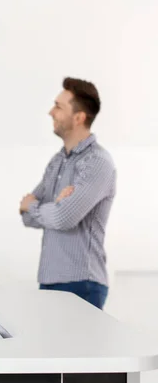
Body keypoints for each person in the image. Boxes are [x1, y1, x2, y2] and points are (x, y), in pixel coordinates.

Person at [20, 77, 116, 310]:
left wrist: (36, 206)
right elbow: (26, 217)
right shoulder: (57, 161)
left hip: (82, 284)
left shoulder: (96, 162)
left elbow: (63, 218)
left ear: (79, 117)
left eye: (58, 107)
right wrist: (54, 207)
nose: (50, 112)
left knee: (81, 348)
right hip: (49, 280)